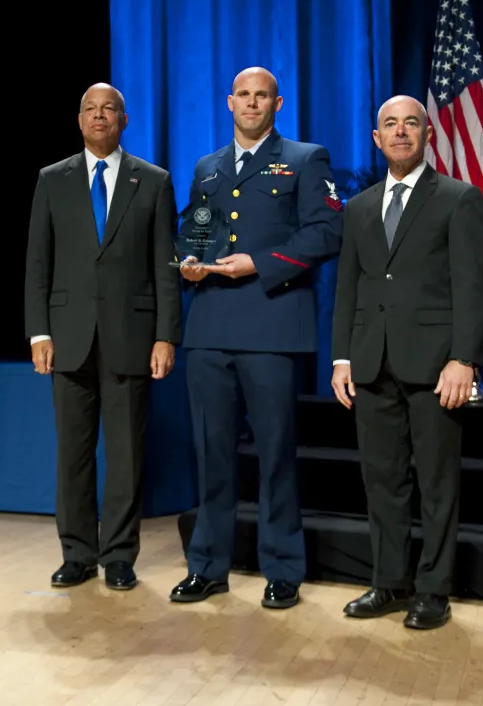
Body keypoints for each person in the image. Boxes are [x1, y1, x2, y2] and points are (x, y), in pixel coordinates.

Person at [170, 67, 342, 609]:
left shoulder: (305, 159)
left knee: (275, 455)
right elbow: (194, 229)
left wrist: (260, 264)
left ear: (277, 102)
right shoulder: (207, 166)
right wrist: (188, 262)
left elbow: (326, 232)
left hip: (272, 324)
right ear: (229, 102)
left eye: (261, 95)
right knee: (212, 453)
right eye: (243, 94)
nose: (251, 102)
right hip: (210, 328)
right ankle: (208, 566)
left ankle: (283, 567)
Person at [331, 95, 483, 629]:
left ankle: (433, 591)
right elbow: (348, 290)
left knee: (437, 483)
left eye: (411, 124)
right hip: (371, 363)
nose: (401, 132)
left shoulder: (458, 198)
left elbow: (472, 288)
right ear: (377, 139)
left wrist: (464, 359)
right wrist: (341, 358)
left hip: (435, 366)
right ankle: (389, 582)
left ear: (428, 135)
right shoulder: (358, 208)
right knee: (383, 481)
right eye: (390, 125)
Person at [25, 83, 181, 590]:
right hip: (67, 338)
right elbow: (38, 265)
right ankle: (76, 553)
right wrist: (38, 332)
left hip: (131, 338)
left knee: (127, 455)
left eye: (108, 109)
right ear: (79, 121)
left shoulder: (153, 181)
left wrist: (165, 336)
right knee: (72, 454)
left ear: (124, 120)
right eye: (90, 110)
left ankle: (118, 555)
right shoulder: (53, 180)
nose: (99, 117)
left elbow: (165, 267)